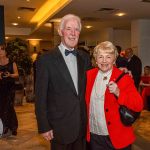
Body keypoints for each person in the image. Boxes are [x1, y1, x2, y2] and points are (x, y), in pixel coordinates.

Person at [35, 14, 92, 150]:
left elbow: (94, 80)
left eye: (76, 29)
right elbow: (40, 96)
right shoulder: (45, 60)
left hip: (81, 125)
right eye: (68, 29)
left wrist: (119, 73)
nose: (73, 33)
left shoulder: (85, 58)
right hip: (59, 127)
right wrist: (44, 126)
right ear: (60, 32)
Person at [85, 41, 143, 150]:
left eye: (108, 57)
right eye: (100, 57)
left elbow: (138, 104)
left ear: (114, 59)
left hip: (117, 137)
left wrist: (119, 93)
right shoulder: (89, 75)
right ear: (96, 60)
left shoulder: (123, 77)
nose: (104, 61)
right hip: (95, 136)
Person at [0, 43, 19, 136]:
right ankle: (8, 126)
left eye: (2, 50)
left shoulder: (12, 62)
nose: (0, 52)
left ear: (6, 51)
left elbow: (17, 74)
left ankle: (11, 127)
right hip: (0, 88)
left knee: (9, 106)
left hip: (10, 88)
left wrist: (10, 75)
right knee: (2, 107)